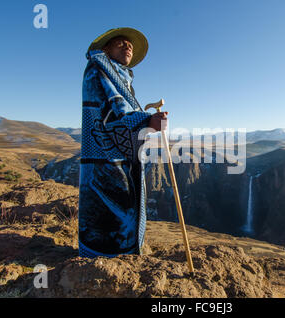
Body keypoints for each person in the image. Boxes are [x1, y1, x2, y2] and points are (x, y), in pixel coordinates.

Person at [79, 27, 168, 257]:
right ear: (106, 50)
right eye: (120, 43)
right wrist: (147, 120)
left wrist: (147, 121)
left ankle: (110, 259)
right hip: (107, 162)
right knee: (112, 208)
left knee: (114, 207)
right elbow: (112, 115)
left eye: (129, 44)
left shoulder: (118, 78)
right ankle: (106, 265)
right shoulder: (99, 69)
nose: (127, 46)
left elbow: (119, 113)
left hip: (113, 158)